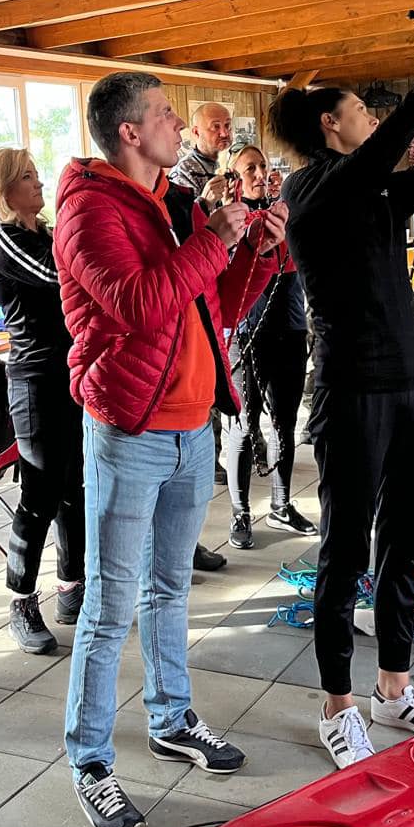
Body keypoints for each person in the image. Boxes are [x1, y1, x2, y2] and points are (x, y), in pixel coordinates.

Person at [57, 71, 283, 827]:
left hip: (191, 427)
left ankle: (171, 718)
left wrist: (256, 254)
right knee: (109, 605)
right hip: (130, 430)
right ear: (129, 131)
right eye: (164, 114)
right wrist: (214, 239)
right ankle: (91, 760)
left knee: (169, 588)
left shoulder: (174, 202)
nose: (180, 126)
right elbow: (138, 303)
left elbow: (209, 303)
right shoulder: (87, 209)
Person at [273, 13, 414, 770]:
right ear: (329, 125)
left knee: (404, 541)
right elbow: (377, 157)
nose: (372, 120)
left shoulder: (372, 191)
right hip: (352, 388)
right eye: (361, 112)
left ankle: (394, 689)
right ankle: (338, 705)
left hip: (412, 380)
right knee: (344, 550)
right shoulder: (311, 189)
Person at [0, 147, 87, 653]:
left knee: (74, 487)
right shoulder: (2, 240)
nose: (39, 183)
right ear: (3, 191)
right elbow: (62, 275)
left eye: (37, 174)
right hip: (35, 381)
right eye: (27, 176)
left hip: (71, 374)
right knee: (40, 494)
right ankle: (21, 600)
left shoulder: (43, 233)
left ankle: (71, 585)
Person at [222, 139, 317, 549]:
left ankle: (281, 503)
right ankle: (240, 511)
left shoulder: (284, 212)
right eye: (250, 169)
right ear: (234, 177)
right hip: (246, 332)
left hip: (289, 327)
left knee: (284, 421)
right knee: (244, 425)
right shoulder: (227, 220)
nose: (260, 175)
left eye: (262, 167)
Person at [171, 100, 239, 541]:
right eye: (215, 126)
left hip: (219, 294)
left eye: (227, 125)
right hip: (190, 305)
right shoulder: (183, 179)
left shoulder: (227, 168)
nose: (224, 132)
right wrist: (206, 204)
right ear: (194, 133)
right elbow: (183, 248)